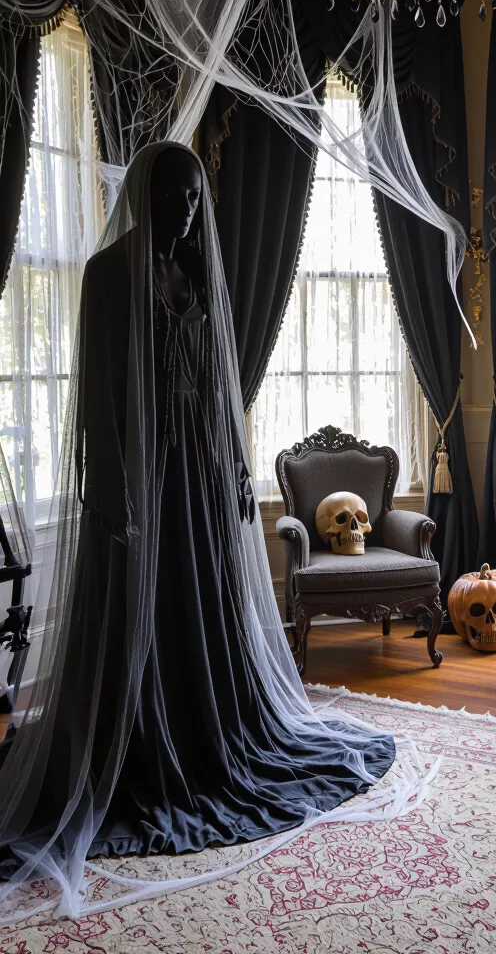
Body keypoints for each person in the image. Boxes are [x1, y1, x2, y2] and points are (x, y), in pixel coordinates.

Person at [0, 142, 396, 920]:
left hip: (196, 483)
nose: (186, 213)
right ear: (149, 192)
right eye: (176, 196)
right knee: (139, 617)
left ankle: (212, 725)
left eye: (194, 199)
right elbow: (100, 406)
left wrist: (231, 482)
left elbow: (219, 393)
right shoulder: (109, 275)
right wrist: (115, 498)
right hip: (142, 484)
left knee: (202, 608)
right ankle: (139, 742)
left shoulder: (196, 274)